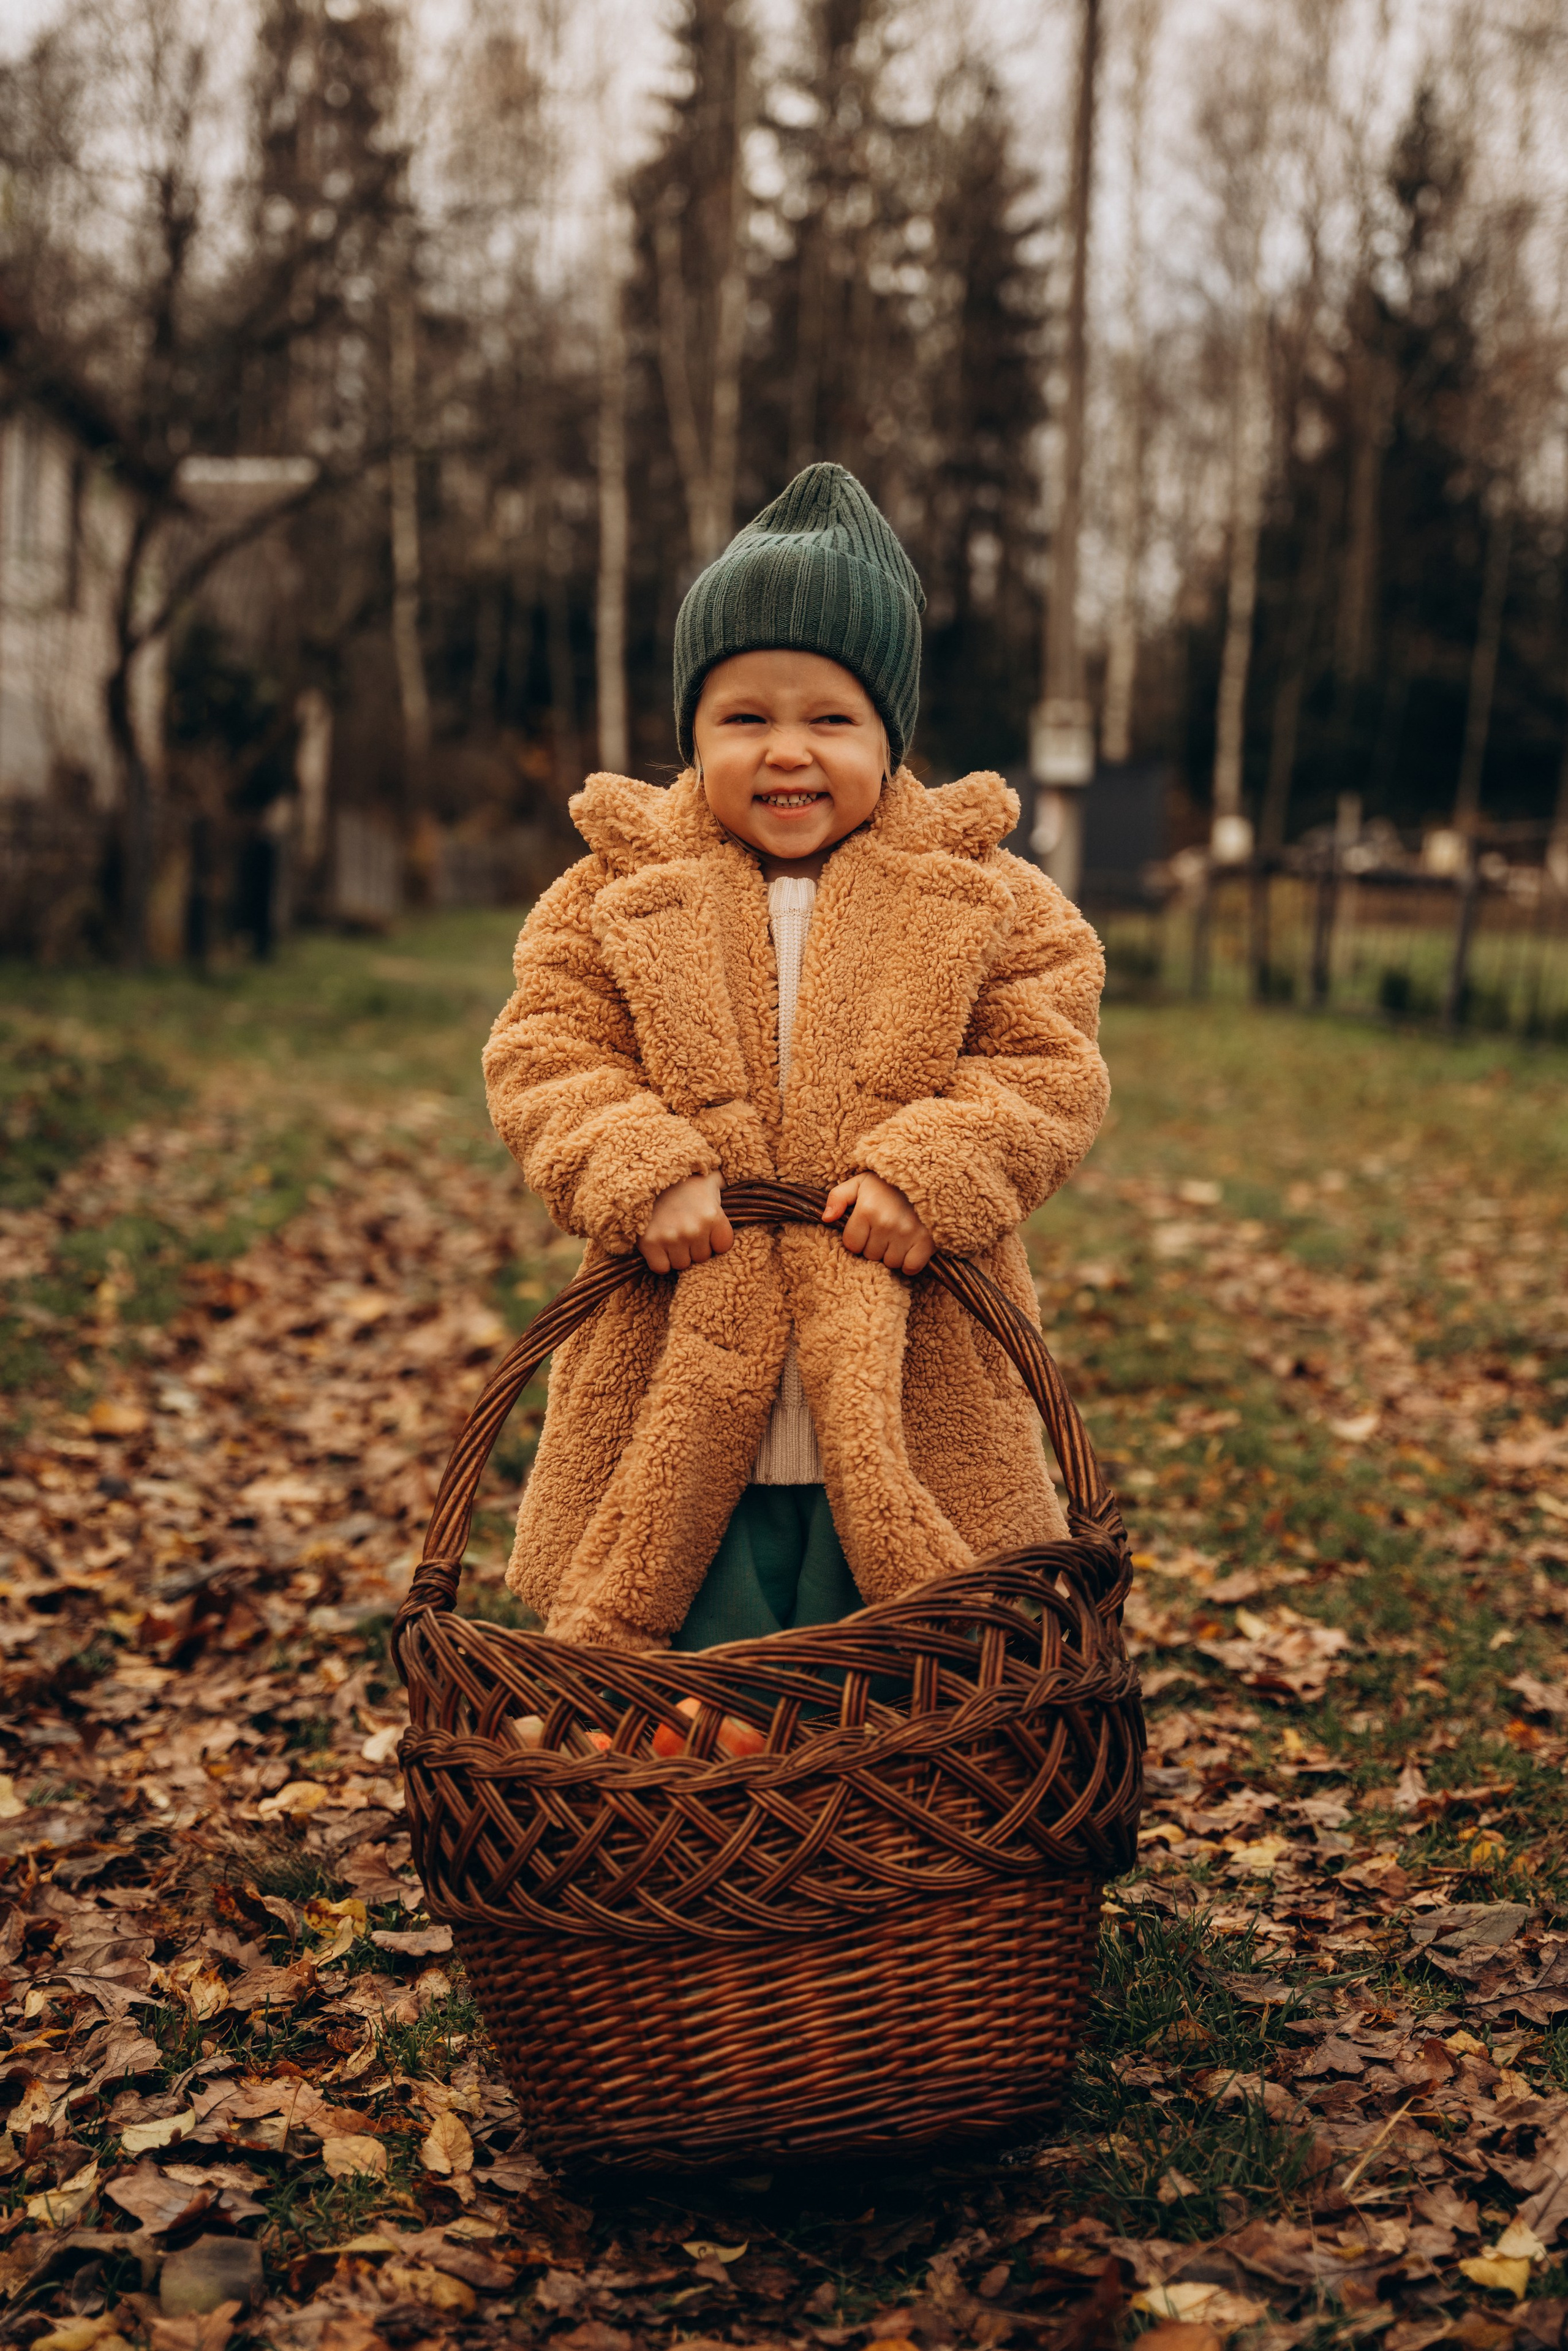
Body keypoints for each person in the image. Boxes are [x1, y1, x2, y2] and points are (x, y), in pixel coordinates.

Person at [483, 462, 1109, 1651]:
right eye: (743, 718)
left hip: (904, 1336)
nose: (786, 751)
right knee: (679, 1647)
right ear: (690, 734)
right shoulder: (612, 893)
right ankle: (692, 1803)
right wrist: (637, 1163)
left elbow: (1044, 1060)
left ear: (889, 735)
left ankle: (889, 1807)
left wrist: (929, 1172)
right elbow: (546, 1049)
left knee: (896, 1638)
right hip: (681, 1328)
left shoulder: (988, 899)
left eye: (829, 718)